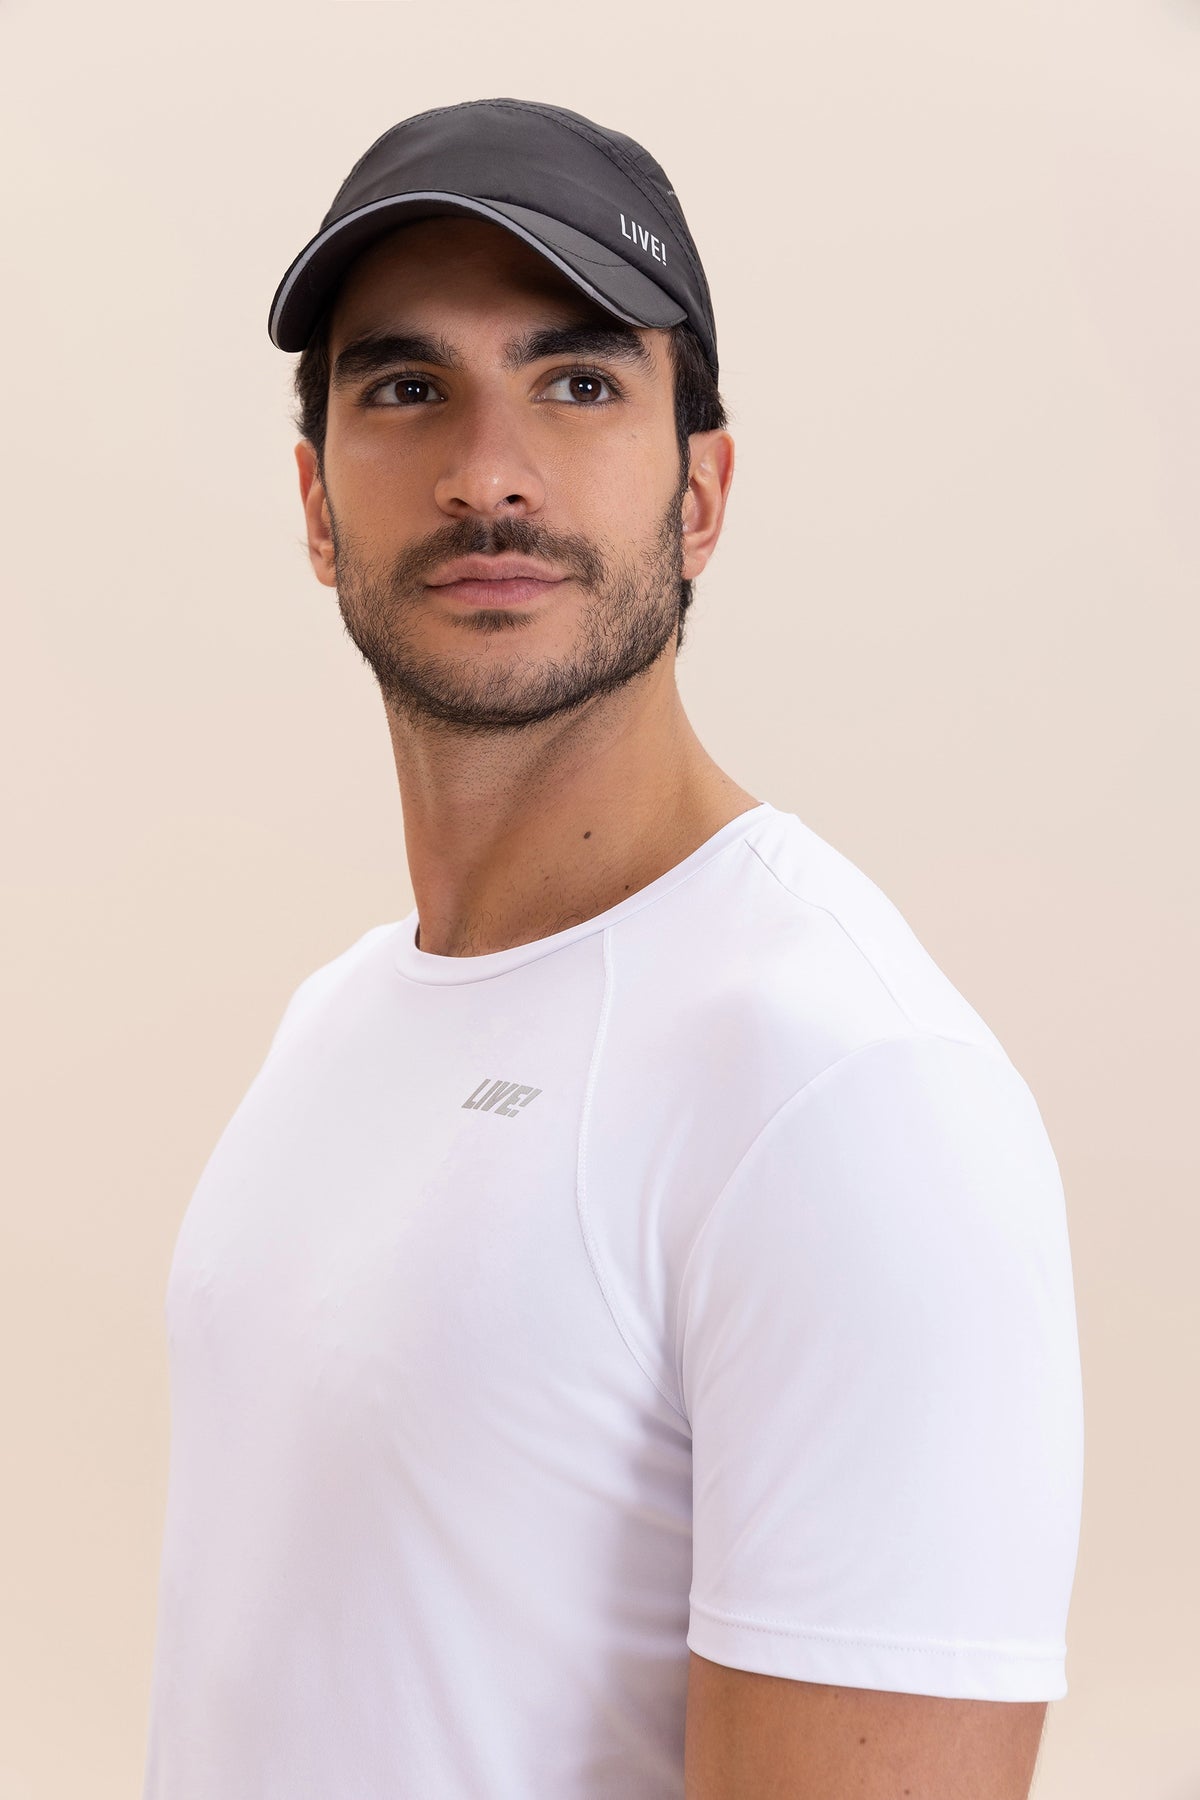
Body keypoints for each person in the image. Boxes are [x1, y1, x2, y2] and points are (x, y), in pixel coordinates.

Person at [140, 98, 1084, 1800]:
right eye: (406, 389)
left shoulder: (847, 1090)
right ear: (316, 504)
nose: (489, 473)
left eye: (578, 384)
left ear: (701, 494)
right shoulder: (337, 1021)